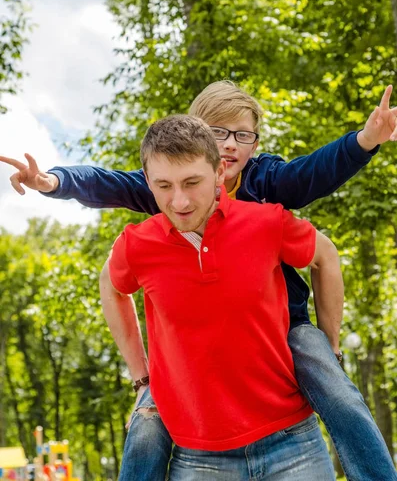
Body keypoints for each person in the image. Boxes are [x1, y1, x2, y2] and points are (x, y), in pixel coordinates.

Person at [1, 82, 397, 480]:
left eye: (242, 136)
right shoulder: (172, 184)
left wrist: (364, 140)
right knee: (147, 425)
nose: (229, 144)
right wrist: (53, 182)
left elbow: (313, 173)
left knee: (340, 393)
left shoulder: (266, 183)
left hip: (285, 325)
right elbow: (105, 183)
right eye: (217, 132)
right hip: (188, 355)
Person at [101, 113, 339, 480]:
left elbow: (325, 256)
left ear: (218, 174)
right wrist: (141, 378)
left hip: (293, 445)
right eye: (163, 186)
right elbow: (112, 286)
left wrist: (332, 344)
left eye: (192, 182)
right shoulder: (137, 245)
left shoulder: (266, 223)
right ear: (147, 180)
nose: (178, 201)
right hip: (199, 460)